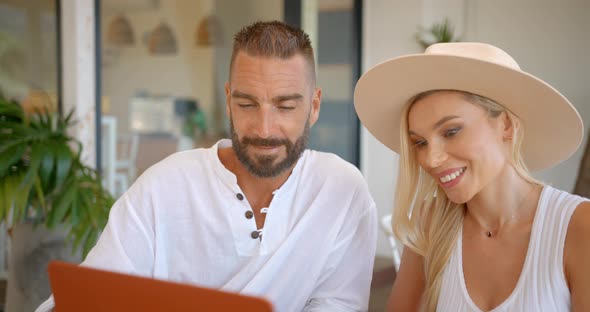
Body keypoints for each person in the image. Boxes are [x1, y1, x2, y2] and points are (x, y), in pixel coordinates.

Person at [37, 20, 377, 312]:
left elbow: (338, 303)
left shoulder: (342, 190)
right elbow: (90, 294)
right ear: (228, 101)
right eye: (246, 104)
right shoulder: (164, 185)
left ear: (314, 105)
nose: (264, 128)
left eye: (285, 106)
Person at [354, 42, 590, 311]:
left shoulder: (579, 227)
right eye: (420, 143)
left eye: (451, 132)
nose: (431, 159)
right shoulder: (432, 223)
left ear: (506, 125)